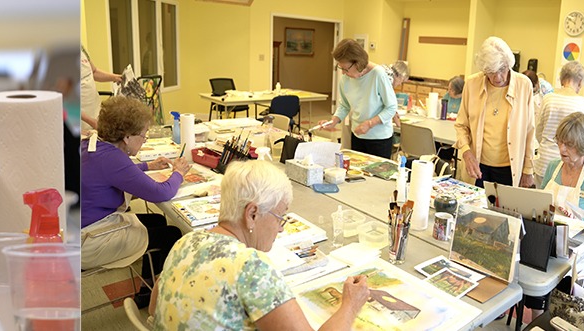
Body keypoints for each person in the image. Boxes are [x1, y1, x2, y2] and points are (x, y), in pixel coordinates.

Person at [150, 160, 370, 329]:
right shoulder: (251, 268)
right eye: (280, 217)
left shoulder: (185, 241)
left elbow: (153, 309)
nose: (281, 228)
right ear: (252, 214)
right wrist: (350, 304)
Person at [80, 96, 188, 307]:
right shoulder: (113, 159)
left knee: (157, 220)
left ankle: (146, 291)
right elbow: (161, 193)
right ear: (127, 137)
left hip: (83, 227)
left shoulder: (94, 145)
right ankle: (162, 298)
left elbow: (114, 173)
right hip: (89, 240)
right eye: (143, 135)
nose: (144, 140)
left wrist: (147, 167)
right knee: (172, 234)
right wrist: (179, 173)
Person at [529, 112, 584, 318]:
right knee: (531, 261)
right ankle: (538, 319)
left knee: (554, 268)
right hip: (555, 239)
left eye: (568, 144)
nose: (561, 149)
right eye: (560, 142)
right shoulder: (553, 166)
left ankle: (555, 317)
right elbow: (542, 206)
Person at [454, 36, 537, 188]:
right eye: (491, 72)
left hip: (509, 168)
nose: (498, 77)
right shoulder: (472, 84)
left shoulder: (524, 85)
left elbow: (530, 132)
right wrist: (466, 152)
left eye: (502, 69)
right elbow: (461, 125)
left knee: (505, 210)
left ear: (509, 64)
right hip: (477, 166)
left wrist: (528, 170)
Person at [322, 39, 398, 159]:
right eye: (341, 68)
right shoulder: (346, 79)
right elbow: (344, 105)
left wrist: (370, 123)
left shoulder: (378, 74)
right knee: (359, 174)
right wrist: (334, 121)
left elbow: (392, 107)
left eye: (346, 69)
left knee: (377, 177)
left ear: (357, 63)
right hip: (357, 135)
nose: (343, 73)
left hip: (379, 139)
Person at [535, 61, 584, 184]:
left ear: (562, 79)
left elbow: (538, 131)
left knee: (542, 200)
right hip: (570, 165)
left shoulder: (548, 99)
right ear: (580, 82)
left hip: (544, 161)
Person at [79, 45, 123, 130]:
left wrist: (115, 77)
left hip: (94, 109)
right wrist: (91, 121)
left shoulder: (81, 48)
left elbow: (94, 72)